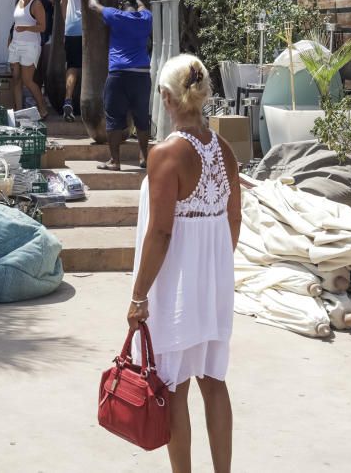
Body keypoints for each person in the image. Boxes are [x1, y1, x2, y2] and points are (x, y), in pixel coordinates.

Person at [127, 55, 241, 473]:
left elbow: (159, 233)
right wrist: (217, 271)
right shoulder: (224, 151)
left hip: (174, 285)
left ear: (167, 97)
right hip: (212, 283)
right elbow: (234, 218)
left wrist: (139, 296)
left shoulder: (165, 154)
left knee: (173, 388)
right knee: (214, 382)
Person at [88, 0, 152, 171]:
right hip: (141, 74)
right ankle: (145, 156)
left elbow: (93, 6)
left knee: (114, 118)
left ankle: (115, 161)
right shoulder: (146, 18)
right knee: (141, 116)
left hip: (119, 74)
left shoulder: (116, 16)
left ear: (121, 5)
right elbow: (142, 6)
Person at [59, 0, 107, 121]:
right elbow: (102, 4)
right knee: (93, 67)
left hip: (71, 27)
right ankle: (93, 107)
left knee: (72, 66)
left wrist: (67, 23)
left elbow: (62, 1)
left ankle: (68, 100)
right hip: (91, 28)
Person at [10, 0, 49, 118]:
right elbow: (15, 24)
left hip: (30, 45)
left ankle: (43, 108)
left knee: (28, 80)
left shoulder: (36, 4)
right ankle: (18, 112)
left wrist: (26, 28)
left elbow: (43, 27)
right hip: (15, 44)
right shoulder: (17, 1)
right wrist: (10, 40)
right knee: (16, 79)